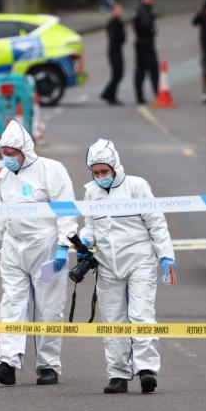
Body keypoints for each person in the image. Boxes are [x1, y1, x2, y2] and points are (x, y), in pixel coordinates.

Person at [0, 120, 76, 386]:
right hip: (14, 250)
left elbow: (66, 209)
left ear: (25, 150)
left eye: (12, 154)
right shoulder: (3, 178)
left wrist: (63, 245)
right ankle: (8, 363)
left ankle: (48, 365)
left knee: (50, 307)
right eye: (5, 154)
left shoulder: (51, 170)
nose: (8, 159)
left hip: (47, 250)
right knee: (11, 304)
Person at [78, 139, 176, 394]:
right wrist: (85, 238)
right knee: (112, 319)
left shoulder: (137, 186)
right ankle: (118, 374)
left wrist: (165, 255)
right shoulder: (91, 192)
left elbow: (156, 221)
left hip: (139, 261)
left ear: (115, 167)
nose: (101, 177)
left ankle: (146, 369)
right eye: (96, 173)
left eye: (104, 172)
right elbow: (90, 224)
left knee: (141, 315)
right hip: (108, 265)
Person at [133, 0, 159, 105]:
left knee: (141, 70)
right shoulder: (144, 11)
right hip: (145, 44)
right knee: (152, 69)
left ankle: (140, 96)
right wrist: (152, 27)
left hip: (141, 43)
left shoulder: (141, 10)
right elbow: (146, 26)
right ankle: (157, 93)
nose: (151, 0)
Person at [101, 2, 126, 105]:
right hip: (114, 51)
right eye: (118, 10)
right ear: (113, 11)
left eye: (120, 9)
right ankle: (108, 94)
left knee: (118, 74)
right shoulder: (114, 22)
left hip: (116, 50)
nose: (120, 11)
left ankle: (109, 94)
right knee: (117, 74)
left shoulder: (117, 22)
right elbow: (115, 37)